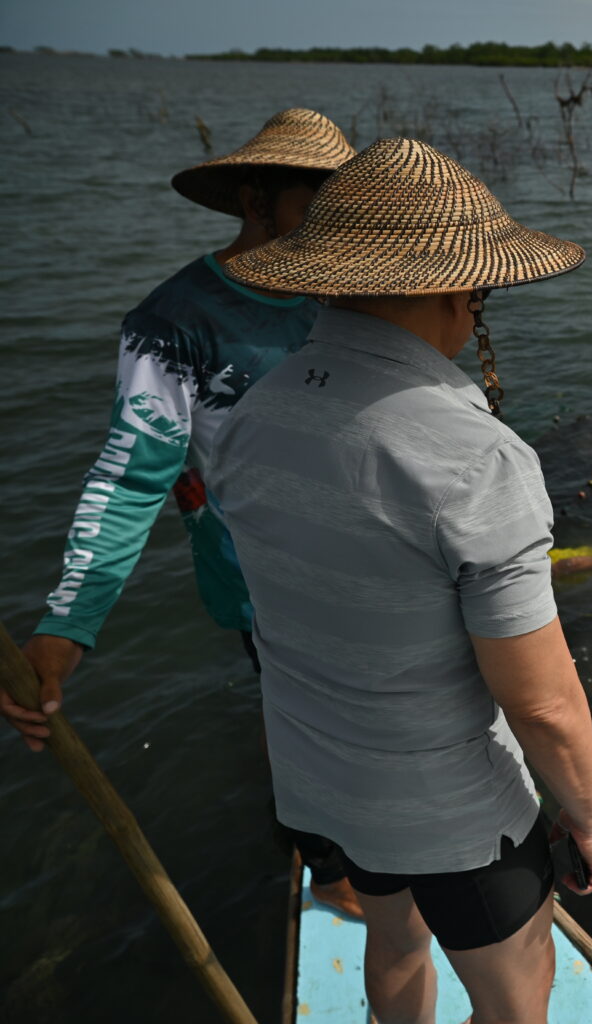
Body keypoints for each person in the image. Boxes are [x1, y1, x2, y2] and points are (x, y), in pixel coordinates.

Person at [207, 137, 592, 1024]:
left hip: (318, 782)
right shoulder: (476, 459)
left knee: (391, 947)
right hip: (452, 812)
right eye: (481, 293)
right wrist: (586, 816)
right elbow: (543, 705)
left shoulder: (246, 419)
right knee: (516, 1000)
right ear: (451, 290)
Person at [1, 108, 363, 914]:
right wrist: (67, 624)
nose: (327, 228)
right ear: (253, 199)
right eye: (312, 203)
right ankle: (326, 862)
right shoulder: (174, 324)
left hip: (369, 561)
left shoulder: (351, 295)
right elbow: (132, 477)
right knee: (296, 715)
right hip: (260, 577)